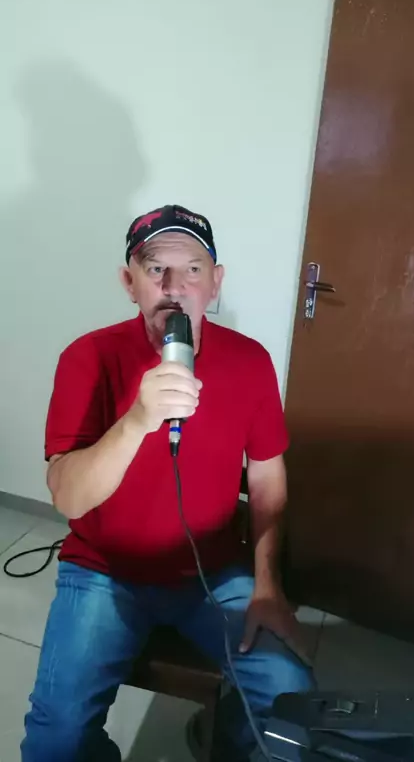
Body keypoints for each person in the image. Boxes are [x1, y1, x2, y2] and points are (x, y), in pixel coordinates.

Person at [21, 204, 314, 762]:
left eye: (193, 270)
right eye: (156, 269)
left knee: (291, 696)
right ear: (128, 282)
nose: (174, 287)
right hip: (104, 571)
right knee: (55, 739)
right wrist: (137, 421)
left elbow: (267, 474)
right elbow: (68, 496)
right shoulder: (88, 357)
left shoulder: (250, 361)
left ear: (216, 283)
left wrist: (267, 585)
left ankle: (223, 742)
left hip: (213, 572)